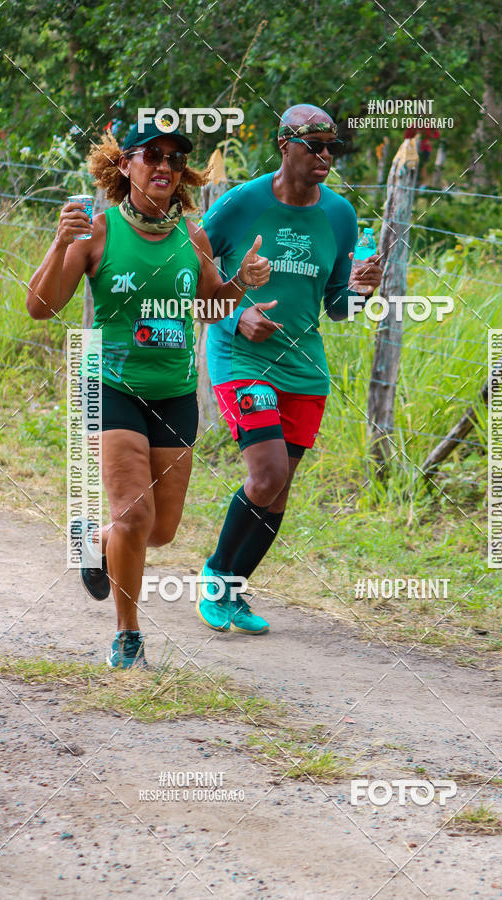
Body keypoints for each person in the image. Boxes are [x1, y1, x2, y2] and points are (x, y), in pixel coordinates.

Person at [26, 120, 270, 667]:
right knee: (135, 517)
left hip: (176, 393)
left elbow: (209, 308)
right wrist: (60, 242)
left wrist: (242, 284)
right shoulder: (98, 231)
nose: (164, 165)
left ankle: (97, 538)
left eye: (175, 159)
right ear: (125, 165)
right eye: (151, 155)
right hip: (109, 387)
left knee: (158, 532)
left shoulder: (194, 235)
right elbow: (42, 307)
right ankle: (128, 635)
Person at [197, 103, 383, 635]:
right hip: (240, 355)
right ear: (285, 145)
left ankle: (235, 593)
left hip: (304, 364)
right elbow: (191, 280)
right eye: (314, 146)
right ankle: (215, 577)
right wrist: (236, 315)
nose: (326, 156)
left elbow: (336, 304)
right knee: (267, 473)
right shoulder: (240, 204)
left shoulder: (340, 215)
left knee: (280, 488)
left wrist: (362, 291)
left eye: (333, 148)